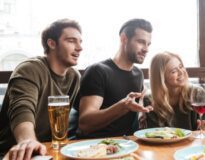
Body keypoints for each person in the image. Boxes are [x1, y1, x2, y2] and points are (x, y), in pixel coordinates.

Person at [0, 19, 82, 159]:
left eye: (80, 42)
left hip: (49, 151)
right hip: (15, 153)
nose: (79, 47)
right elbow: (22, 108)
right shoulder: (30, 69)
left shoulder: (74, 77)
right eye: (71, 41)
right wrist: (27, 141)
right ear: (51, 44)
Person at [77, 18, 153, 139]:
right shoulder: (97, 71)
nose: (146, 49)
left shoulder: (138, 74)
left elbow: (135, 113)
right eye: (141, 42)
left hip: (129, 144)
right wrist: (122, 106)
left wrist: (143, 113)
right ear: (124, 39)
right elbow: (85, 123)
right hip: (96, 147)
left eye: (148, 44)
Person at [142, 52, 205, 130]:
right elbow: (152, 134)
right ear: (162, 78)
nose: (181, 72)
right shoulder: (149, 100)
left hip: (193, 142)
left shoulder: (197, 93)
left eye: (181, 66)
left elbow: (204, 130)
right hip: (164, 142)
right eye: (174, 71)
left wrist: (204, 128)